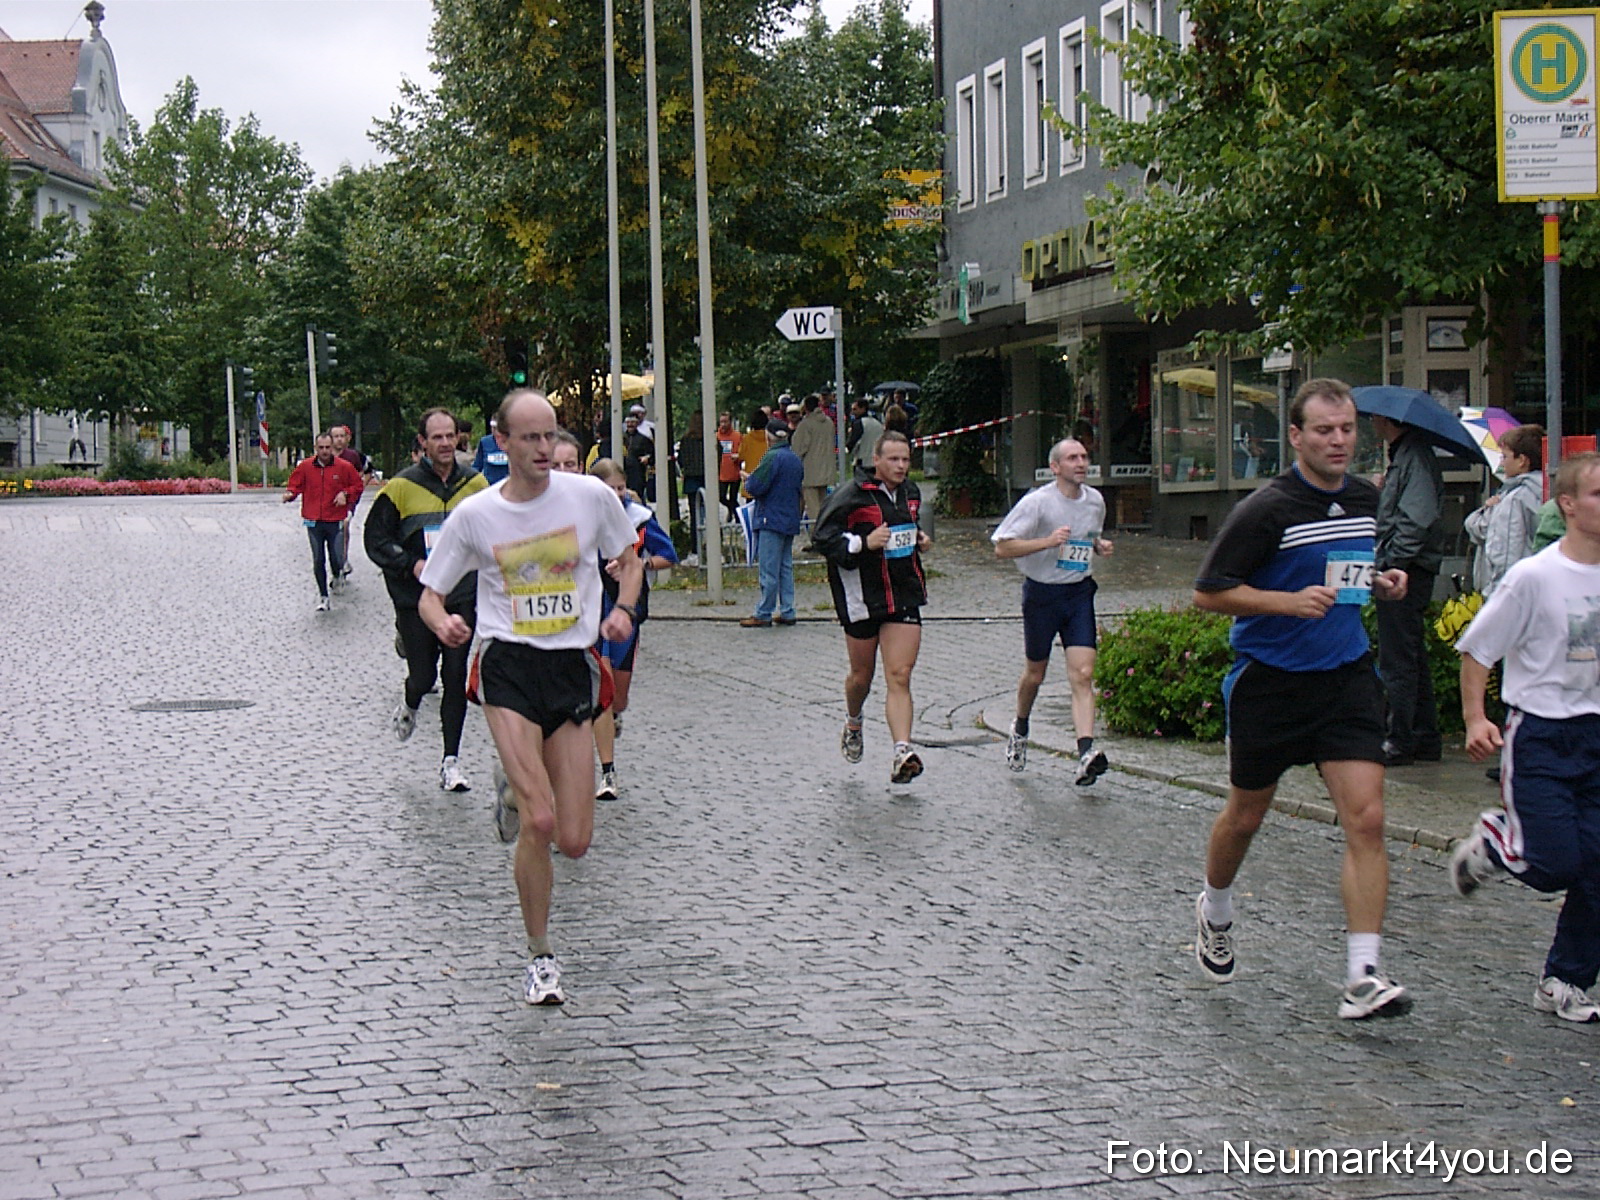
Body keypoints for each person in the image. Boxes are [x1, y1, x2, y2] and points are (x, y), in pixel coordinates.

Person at [1191, 377, 1414, 1020]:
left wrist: (1382, 584)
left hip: (1345, 678)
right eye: (1324, 430)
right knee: (1246, 817)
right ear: (1296, 437)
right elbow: (1209, 592)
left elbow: (1347, 576)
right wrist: (1283, 603)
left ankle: (1363, 976)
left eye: (1346, 429)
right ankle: (1216, 907)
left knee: (1367, 819)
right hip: (1270, 682)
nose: (1338, 440)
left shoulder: (1367, 498)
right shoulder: (1265, 510)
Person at [418, 389, 640, 1006]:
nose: (545, 449)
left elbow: (629, 559)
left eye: (551, 436)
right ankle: (541, 956)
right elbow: (431, 593)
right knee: (538, 824)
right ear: (502, 442)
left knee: (574, 840)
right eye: (531, 438)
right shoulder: (476, 515)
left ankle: (516, 785)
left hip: (570, 667)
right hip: (507, 666)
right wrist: (441, 624)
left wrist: (622, 608)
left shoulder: (591, 497)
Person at [1451, 452, 1600, 1024]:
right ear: (1567, 505)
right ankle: (1494, 840)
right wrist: (1475, 719)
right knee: (1556, 862)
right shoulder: (1534, 576)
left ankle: (1565, 980)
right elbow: (1477, 649)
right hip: (1541, 736)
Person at [364, 408, 488, 792]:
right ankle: (411, 701)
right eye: (437, 437)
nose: (446, 443)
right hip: (415, 598)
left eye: (451, 436)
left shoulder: (476, 484)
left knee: (454, 674)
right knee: (424, 675)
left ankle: (451, 761)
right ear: (423, 443)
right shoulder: (401, 488)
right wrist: (411, 564)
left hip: (460, 595)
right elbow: (376, 541)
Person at [810, 430, 931, 784]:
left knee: (900, 674)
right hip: (862, 596)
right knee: (861, 677)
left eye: (906, 460)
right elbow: (821, 539)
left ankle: (902, 751)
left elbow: (909, 527)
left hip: (903, 592)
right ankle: (854, 719)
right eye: (893, 459)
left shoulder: (910, 493)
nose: (901, 466)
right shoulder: (850, 495)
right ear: (875, 460)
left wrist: (919, 539)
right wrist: (863, 543)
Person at [992, 437, 1114, 783]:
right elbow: (1002, 548)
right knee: (1035, 674)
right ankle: (1021, 726)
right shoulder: (1037, 503)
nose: (1081, 463)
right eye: (1072, 458)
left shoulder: (1095, 502)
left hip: (1078, 594)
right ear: (1056, 467)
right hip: (1042, 595)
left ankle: (1086, 751)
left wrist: (1098, 545)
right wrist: (1046, 541)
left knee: (1083, 674)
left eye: (1084, 457)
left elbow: (1088, 536)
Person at [587, 457, 677, 799]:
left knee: (618, 697)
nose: (615, 495)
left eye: (620, 488)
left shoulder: (640, 519)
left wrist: (639, 563)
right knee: (602, 693)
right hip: (593, 610)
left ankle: (613, 717)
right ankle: (608, 772)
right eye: (608, 489)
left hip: (629, 610)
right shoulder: (582, 518)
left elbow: (669, 555)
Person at [1370, 410, 1448, 766]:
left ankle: (1399, 739)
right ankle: (1424, 736)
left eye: (1375, 419)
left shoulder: (1412, 457)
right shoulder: (1405, 457)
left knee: (1398, 656)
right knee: (1411, 652)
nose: (1371, 424)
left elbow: (1417, 515)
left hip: (1406, 569)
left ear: (1390, 422)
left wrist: (1395, 561)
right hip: (1409, 564)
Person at [283, 431, 364, 612]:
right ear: (315, 448)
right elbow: (295, 484)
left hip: (335, 519)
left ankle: (337, 574)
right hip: (313, 520)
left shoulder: (343, 467)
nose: (325, 451)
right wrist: (290, 494)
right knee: (318, 558)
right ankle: (323, 596)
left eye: (328, 447)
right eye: (321, 448)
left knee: (336, 556)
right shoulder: (305, 467)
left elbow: (357, 486)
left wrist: (345, 494)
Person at [1465, 424, 1544, 599]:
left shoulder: (1514, 499)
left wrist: (1496, 598)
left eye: (1505, 456)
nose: (1502, 462)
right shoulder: (1547, 490)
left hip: (1513, 595)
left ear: (1522, 460)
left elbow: (1505, 555)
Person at [740, 419, 805, 629]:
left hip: (770, 518)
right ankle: (787, 610)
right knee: (785, 567)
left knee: (768, 568)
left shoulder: (772, 457)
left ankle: (764, 611)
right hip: (789, 517)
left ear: (768, 437)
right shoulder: (794, 459)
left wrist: (747, 480)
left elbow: (757, 487)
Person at [330, 424, 372, 577]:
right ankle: (335, 559)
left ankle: (343, 558)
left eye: (342, 436)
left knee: (344, 524)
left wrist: (357, 489)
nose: (340, 440)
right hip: (329, 499)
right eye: (336, 436)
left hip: (348, 499)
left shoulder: (353, 456)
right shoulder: (325, 454)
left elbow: (364, 472)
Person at [791, 393, 837, 524]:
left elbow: (798, 448)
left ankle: (817, 536)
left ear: (805, 408)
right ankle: (827, 531)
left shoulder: (806, 424)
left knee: (813, 511)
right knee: (823, 506)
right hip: (827, 469)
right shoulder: (829, 422)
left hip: (810, 472)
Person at [676, 411, 706, 555]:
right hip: (707, 480)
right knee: (710, 515)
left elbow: (680, 459)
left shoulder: (686, 440)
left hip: (691, 480)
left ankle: (696, 548)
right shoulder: (709, 439)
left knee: (695, 516)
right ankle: (712, 545)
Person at [714, 411, 742, 521]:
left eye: (725, 421)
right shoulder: (716, 436)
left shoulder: (737, 436)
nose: (723, 424)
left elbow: (744, 452)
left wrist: (738, 456)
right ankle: (735, 510)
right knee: (721, 497)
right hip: (721, 472)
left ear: (730, 422)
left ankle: (737, 518)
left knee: (733, 497)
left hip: (734, 472)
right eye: (721, 422)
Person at [621, 412, 653, 498]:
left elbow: (652, 454)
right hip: (623, 473)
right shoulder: (621, 439)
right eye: (628, 422)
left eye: (632, 422)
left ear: (637, 423)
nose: (630, 425)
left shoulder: (643, 439)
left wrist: (647, 458)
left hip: (638, 474)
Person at [846, 397, 884, 470]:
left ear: (863, 408)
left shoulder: (858, 423)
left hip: (862, 461)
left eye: (855, 409)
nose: (852, 412)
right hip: (877, 461)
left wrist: (847, 448)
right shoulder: (878, 424)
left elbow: (852, 442)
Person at [738, 405, 769, 490]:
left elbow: (741, 455)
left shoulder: (747, 438)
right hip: (766, 478)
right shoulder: (769, 438)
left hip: (751, 477)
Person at [472, 417, 510, 485]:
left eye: (497, 427)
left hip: (508, 484)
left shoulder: (512, 441)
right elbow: (477, 466)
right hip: (489, 485)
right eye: (493, 427)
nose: (495, 430)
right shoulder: (485, 442)